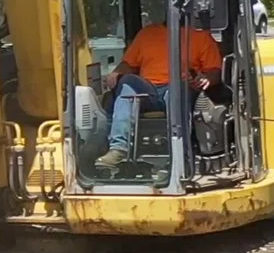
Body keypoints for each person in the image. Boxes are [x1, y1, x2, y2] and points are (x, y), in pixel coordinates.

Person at [96, 20, 223, 169]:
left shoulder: (200, 36)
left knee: (177, 90)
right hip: (148, 89)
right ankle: (118, 149)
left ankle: (178, 152)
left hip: (178, 86)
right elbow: (128, 64)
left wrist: (206, 79)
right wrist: (117, 72)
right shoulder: (147, 34)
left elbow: (214, 70)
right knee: (127, 82)